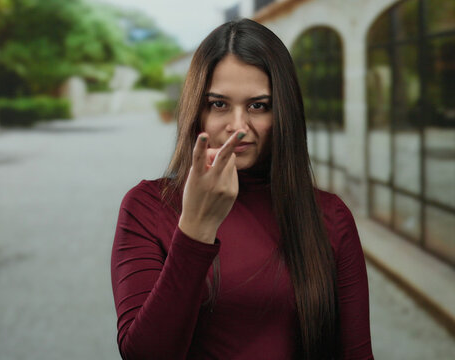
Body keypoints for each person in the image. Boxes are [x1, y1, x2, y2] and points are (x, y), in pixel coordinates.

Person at [110, 18, 373, 360]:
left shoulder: (329, 217)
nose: (238, 127)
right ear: (197, 111)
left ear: (283, 113)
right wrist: (195, 229)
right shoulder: (147, 207)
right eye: (219, 104)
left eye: (258, 106)